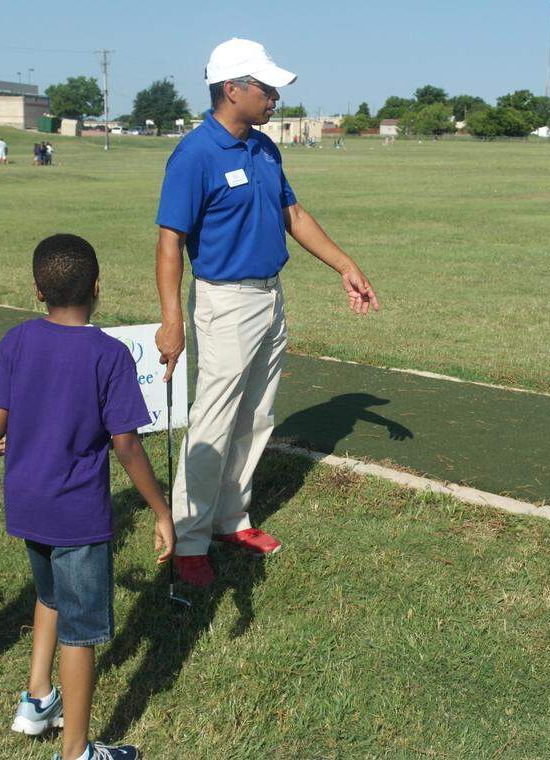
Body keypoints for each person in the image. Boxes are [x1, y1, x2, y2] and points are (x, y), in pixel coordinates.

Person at [155, 38, 380, 587]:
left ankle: (232, 518)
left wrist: (344, 264)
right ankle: (189, 538)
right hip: (223, 302)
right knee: (214, 420)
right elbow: (169, 243)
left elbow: (293, 214)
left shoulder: (263, 148)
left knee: (256, 415)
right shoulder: (195, 153)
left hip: (269, 297)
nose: (276, 96)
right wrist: (171, 320)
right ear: (232, 90)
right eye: (266, 87)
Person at [0, 234, 174, 760]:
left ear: (37, 291)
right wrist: (161, 510)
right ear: (98, 287)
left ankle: (37, 699)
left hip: (26, 503)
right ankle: (77, 751)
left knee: (50, 596)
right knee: (79, 634)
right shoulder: (110, 354)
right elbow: (126, 446)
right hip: (77, 514)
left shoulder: (15, 341)